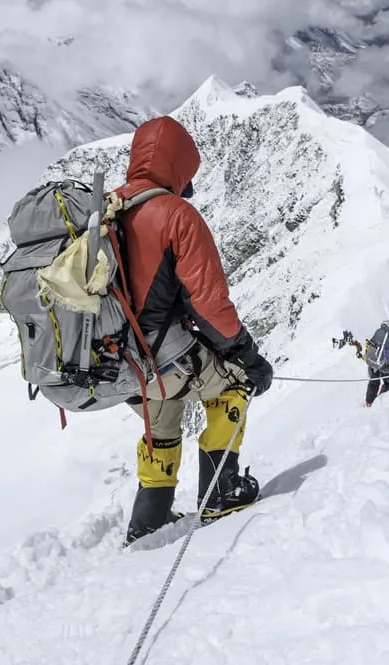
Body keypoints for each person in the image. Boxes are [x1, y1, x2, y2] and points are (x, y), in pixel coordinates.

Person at [112, 115, 274, 546]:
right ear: (180, 165)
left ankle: (149, 517)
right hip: (161, 356)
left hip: (117, 365)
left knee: (161, 417)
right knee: (233, 386)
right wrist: (247, 356)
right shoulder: (176, 214)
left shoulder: (106, 210)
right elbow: (210, 304)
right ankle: (220, 493)